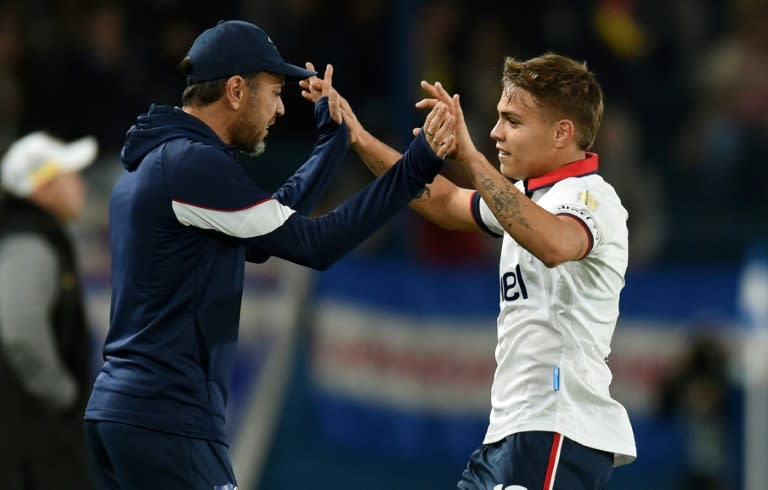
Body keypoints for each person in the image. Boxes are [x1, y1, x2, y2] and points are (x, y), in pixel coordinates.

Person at [83, 19, 453, 489]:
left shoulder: (160, 161)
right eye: (274, 92)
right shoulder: (191, 165)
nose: (280, 109)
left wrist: (330, 144)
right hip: (167, 419)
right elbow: (315, 244)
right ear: (236, 90)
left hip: (124, 417)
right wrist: (414, 167)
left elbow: (265, 234)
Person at [325, 53, 636, 489]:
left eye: (512, 120)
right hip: (514, 428)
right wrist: (358, 137)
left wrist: (471, 158)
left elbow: (555, 244)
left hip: (558, 424)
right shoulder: (531, 198)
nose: (495, 133)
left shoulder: (591, 197)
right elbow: (443, 201)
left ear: (562, 132)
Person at [0, 131, 98, 489]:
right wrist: (63, 394)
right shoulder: (30, 244)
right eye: (69, 175)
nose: (80, 185)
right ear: (41, 190)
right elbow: (19, 330)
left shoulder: (30, 236)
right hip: (29, 446)